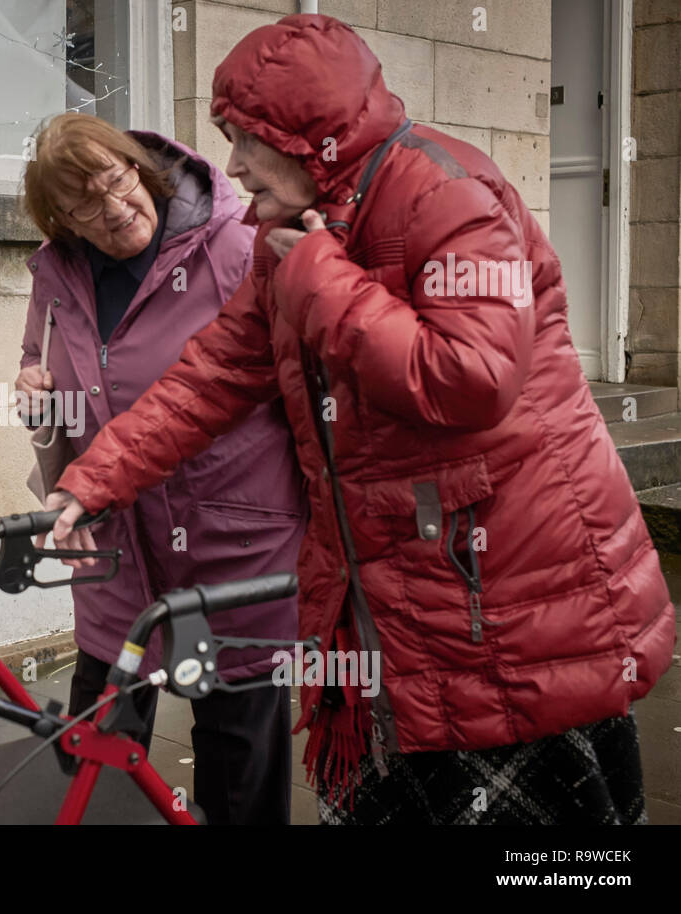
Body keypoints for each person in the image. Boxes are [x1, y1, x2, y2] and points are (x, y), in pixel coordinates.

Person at [45, 15, 676, 824]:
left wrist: (318, 277)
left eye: (245, 140)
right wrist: (92, 482)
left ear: (312, 140)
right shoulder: (292, 232)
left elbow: (471, 378)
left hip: (512, 598)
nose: (231, 164)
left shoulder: (452, 196)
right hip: (396, 598)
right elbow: (211, 375)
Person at [16, 112, 307, 824]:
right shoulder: (58, 275)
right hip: (114, 548)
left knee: (237, 759)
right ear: (62, 218)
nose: (115, 210)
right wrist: (33, 395)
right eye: (87, 204)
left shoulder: (239, 245)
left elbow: (304, 383)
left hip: (230, 540)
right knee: (94, 755)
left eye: (117, 182)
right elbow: (40, 364)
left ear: (138, 170)